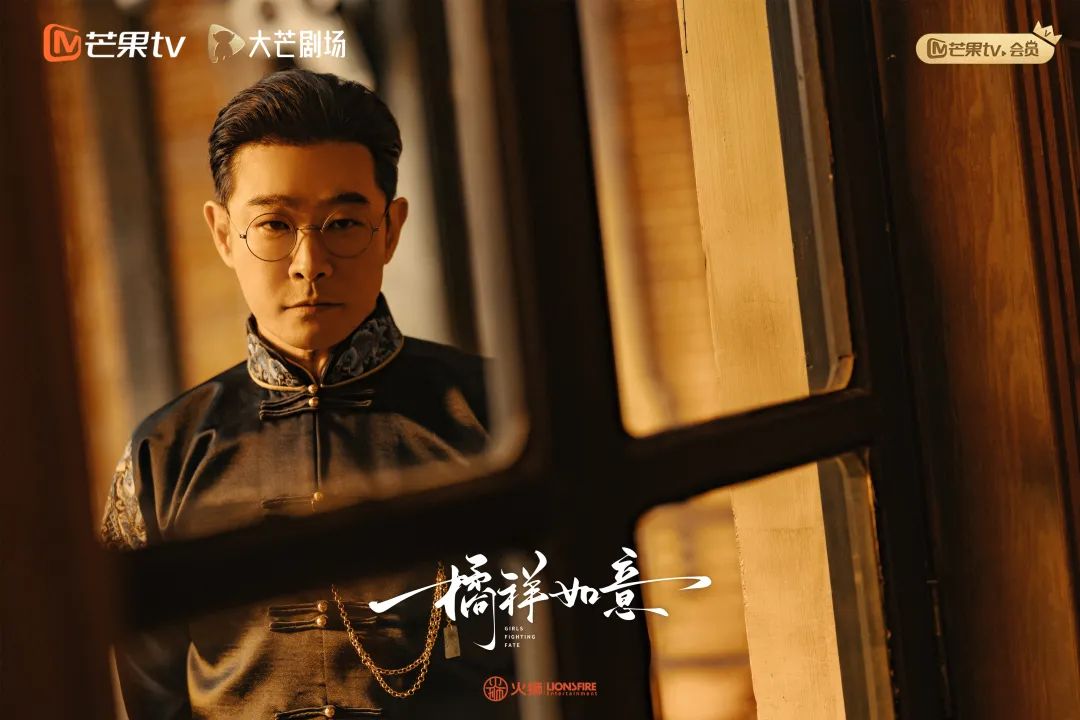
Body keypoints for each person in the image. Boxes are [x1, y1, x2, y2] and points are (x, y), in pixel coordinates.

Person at [99, 68, 514, 719]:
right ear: (222, 233)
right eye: (273, 225)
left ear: (391, 227)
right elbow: (150, 695)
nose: (309, 263)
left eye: (343, 223)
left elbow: (576, 659)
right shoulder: (164, 454)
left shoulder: (501, 415)